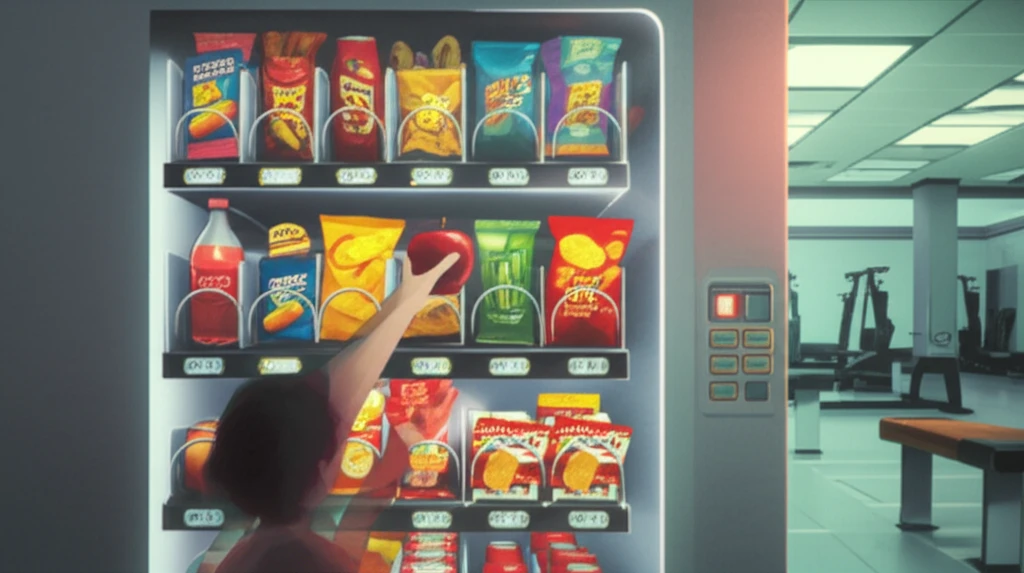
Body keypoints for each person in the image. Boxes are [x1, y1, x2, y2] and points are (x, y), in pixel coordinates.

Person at [205, 252, 461, 573]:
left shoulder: (233, 559)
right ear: (321, 471)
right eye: (337, 445)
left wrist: (407, 298)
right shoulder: (317, 560)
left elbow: (326, 396)